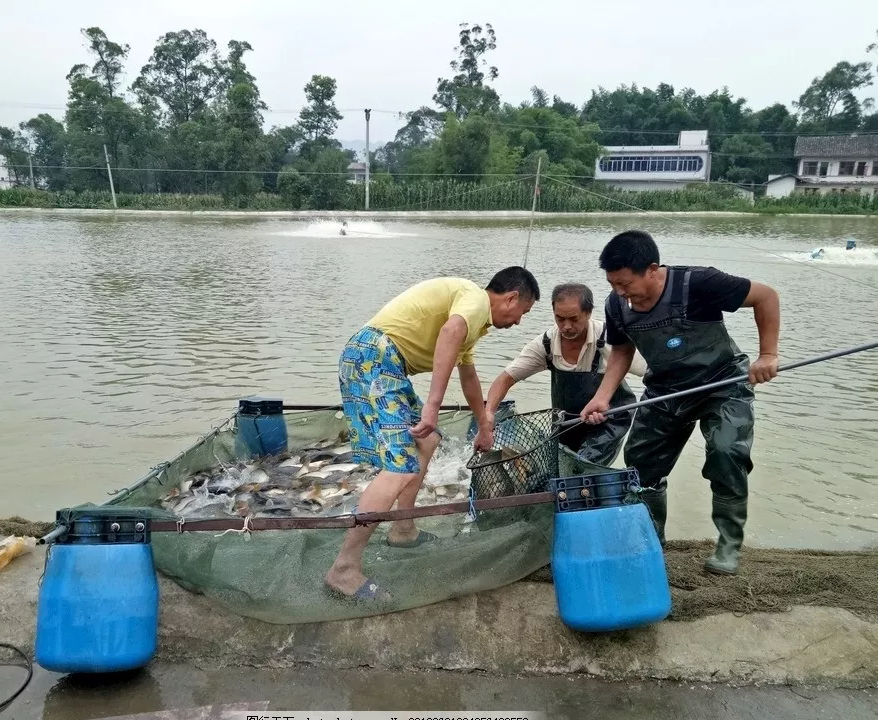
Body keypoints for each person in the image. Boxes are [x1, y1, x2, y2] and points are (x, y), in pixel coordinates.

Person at [326, 268, 541, 601]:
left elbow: (467, 374)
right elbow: (450, 330)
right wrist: (432, 406)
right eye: (522, 313)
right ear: (511, 297)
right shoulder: (474, 300)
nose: (518, 322)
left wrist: (485, 423)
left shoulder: (473, 322)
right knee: (400, 466)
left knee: (427, 439)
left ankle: (403, 528)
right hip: (373, 359)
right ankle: (344, 568)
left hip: (382, 361)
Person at [580, 231, 780, 576]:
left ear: (653, 270)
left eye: (626, 284)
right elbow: (622, 352)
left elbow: (766, 296)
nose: (620, 293)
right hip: (666, 391)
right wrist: (602, 397)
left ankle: (728, 544)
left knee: (726, 451)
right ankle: (651, 540)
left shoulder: (699, 283)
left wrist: (768, 354)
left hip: (722, 384)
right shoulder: (616, 305)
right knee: (640, 465)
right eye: (613, 284)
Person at [483, 282, 647, 467]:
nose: (566, 326)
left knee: (584, 465)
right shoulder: (546, 344)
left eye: (574, 319)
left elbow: (651, 371)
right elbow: (505, 378)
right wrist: (488, 413)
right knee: (557, 470)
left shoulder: (611, 340)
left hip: (608, 423)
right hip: (567, 423)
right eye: (560, 319)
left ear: (589, 313)